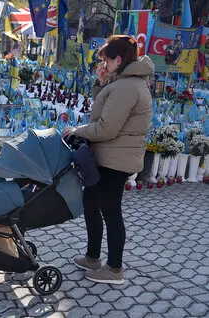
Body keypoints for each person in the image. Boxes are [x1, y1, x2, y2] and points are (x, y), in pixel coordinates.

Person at [63, 35, 155, 284]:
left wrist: (76, 131)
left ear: (119, 59)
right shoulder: (123, 82)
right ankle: (93, 257)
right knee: (91, 204)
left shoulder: (127, 87)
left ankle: (115, 269)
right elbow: (102, 109)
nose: (104, 65)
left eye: (107, 61)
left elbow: (105, 128)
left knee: (110, 212)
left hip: (116, 160)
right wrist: (101, 83)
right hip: (108, 156)